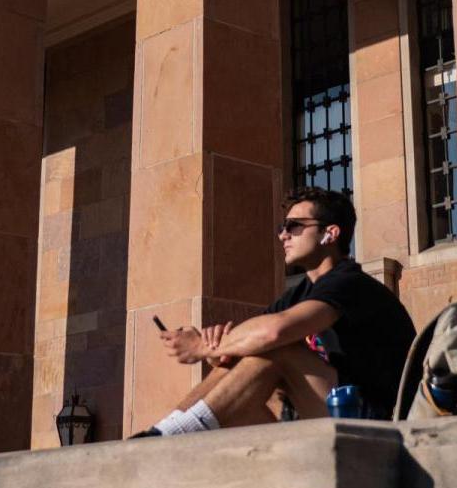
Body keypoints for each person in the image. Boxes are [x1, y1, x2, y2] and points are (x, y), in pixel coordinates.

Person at [133, 187, 417, 437]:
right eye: (282, 227)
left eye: (294, 226)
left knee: (278, 349)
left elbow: (274, 332)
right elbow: (241, 345)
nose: (283, 235)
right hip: (317, 410)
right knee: (239, 360)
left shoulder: (350, 282)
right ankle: (160, 434)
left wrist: (200, 347)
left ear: (329, 234)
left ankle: (172, 437)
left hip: (375, 422)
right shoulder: (299, 292)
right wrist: (218, 347)